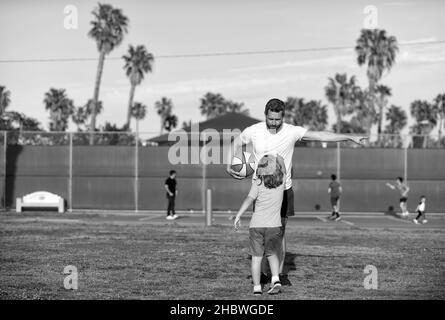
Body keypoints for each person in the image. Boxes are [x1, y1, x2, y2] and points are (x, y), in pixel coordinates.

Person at [227, 98, 367, 286]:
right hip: (260, 192)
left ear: (283, 116)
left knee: (279, 234)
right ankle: (263, 275)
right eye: (271, 119)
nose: (274, 123)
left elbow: (321, 135)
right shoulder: (253, 131)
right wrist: (229, 165)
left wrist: (349, 137)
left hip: (283, 191)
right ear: (265, 115)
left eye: (277, 120)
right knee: (261, 234)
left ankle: (279, 276)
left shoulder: (292, 131)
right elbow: (235, 142)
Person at [234, 154, 285, 295]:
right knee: (272, 254)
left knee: (256, 258)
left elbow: (249, 199)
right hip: (274, 226)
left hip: (256, 226)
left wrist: (238, 215)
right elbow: (283, 164)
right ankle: (275, 279)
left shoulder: (257, 183)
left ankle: (257, 288)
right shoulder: (282, 182)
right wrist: (276, 156)